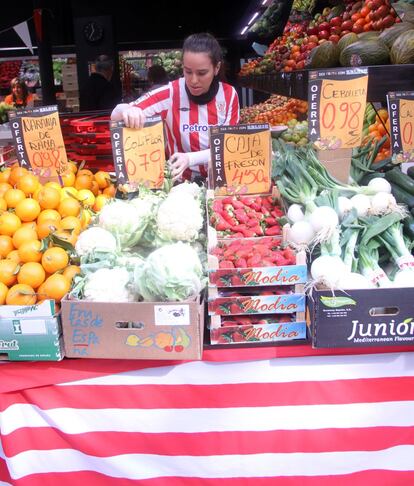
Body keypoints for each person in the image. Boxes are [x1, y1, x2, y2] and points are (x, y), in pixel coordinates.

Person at [111, 33, 240, 181]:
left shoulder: (229, 95)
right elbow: (115, 115)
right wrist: (127, 110)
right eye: (188, 71)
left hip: (220, 181)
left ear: (216, 68)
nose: (193, 80)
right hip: (180, 184)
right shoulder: (170, 93)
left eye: (202, 73)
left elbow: (229, 145)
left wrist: (189, 159)